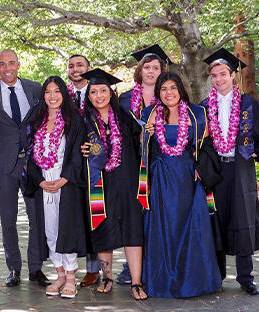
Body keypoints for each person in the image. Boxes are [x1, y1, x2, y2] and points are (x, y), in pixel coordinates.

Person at [200, 48, 259, 296]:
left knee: (243, 219)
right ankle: (217, 275)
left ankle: (246, 277)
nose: (219, 79)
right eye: (214, 75)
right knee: (215, 219)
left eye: (223, 74)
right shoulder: (203, 107)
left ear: (233, 75)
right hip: (215, 171)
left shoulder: (248, 105)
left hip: (241, 169)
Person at [141, 72, 221, 298]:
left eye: (173, 88)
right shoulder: (149, 114)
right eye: (164, 89)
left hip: (188, 178)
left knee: (191, 228)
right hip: (161, 180)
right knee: (164, 229)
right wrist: (143, 138)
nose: (169, 93)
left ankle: (193, 281)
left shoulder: (197, 114)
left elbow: (207, 145)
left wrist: (200, 167)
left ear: (181, 89)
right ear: (158, 92)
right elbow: (142, 149)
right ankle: (163, 281)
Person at [0, 49, 49, 287]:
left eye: (11, 63)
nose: (7, 68)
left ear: (18, 64)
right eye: (2, 64)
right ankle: (14, 269)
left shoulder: (35, 89)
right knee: (7, 219)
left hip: (32, 163)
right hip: (3, 164)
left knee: (35, 218)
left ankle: (36, 268)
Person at [80, 69, 147, 300]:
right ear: (88, 96)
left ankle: (136, 282)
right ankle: (107, 277)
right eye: (94, 92)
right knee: (103, 228)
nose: (99, 95)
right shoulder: (84, 122)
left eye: (103, 90)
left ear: (111, 92)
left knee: (132, 229)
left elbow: (143, 144)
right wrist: (82, 150)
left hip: (128, 180)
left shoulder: (125, 116)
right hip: (101, 183)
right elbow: (76, 149)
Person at [24, 76, 87, 298]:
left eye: (57, 91)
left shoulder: (73, 120)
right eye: (48, 92)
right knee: (50, 230)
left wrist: (64, 179)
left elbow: (79, 154)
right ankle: (59, 274)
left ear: (64, 93)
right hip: (43, 182)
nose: (52, 96)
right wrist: (39, 181)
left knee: (66, 228)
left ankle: (71, 277)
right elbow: (29, 155)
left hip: (65, 181)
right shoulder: (36, 119)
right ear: (43, 95)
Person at [116, 44, 170, 284]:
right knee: (134, 213)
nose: (150, 71)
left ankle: (157, 262)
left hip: (161, 160)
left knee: (157, 211)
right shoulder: (126, 98)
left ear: (162, 70)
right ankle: (131, 265)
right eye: (146, 67)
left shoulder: (169, 94)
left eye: (155, 67)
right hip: (132, 163)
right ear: (140, 70)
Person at [65, 54, 100, 287]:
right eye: (71, 66)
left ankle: (94, 268)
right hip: (69, 163)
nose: (75, 69)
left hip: (94, 161)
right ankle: (70, 268)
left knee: (94, 214)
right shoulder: (62, 95)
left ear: (88, 68)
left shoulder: (99, 92)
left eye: (80, 65)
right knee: (75, 215)